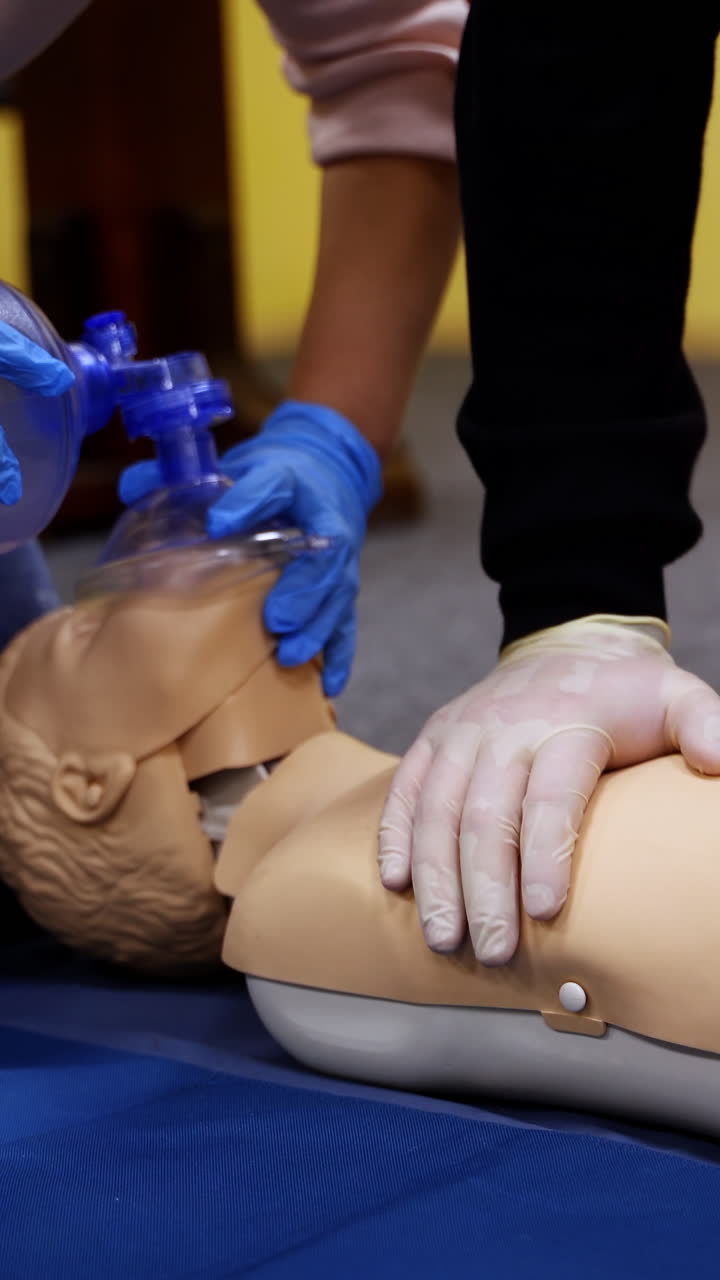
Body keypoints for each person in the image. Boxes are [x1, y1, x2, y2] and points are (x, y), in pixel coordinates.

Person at [2, 2, 720, 969]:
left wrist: (332, 429)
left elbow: (394, 53)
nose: (127, 567)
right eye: (87, 628)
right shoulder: (320, 909)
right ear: (97, 784)